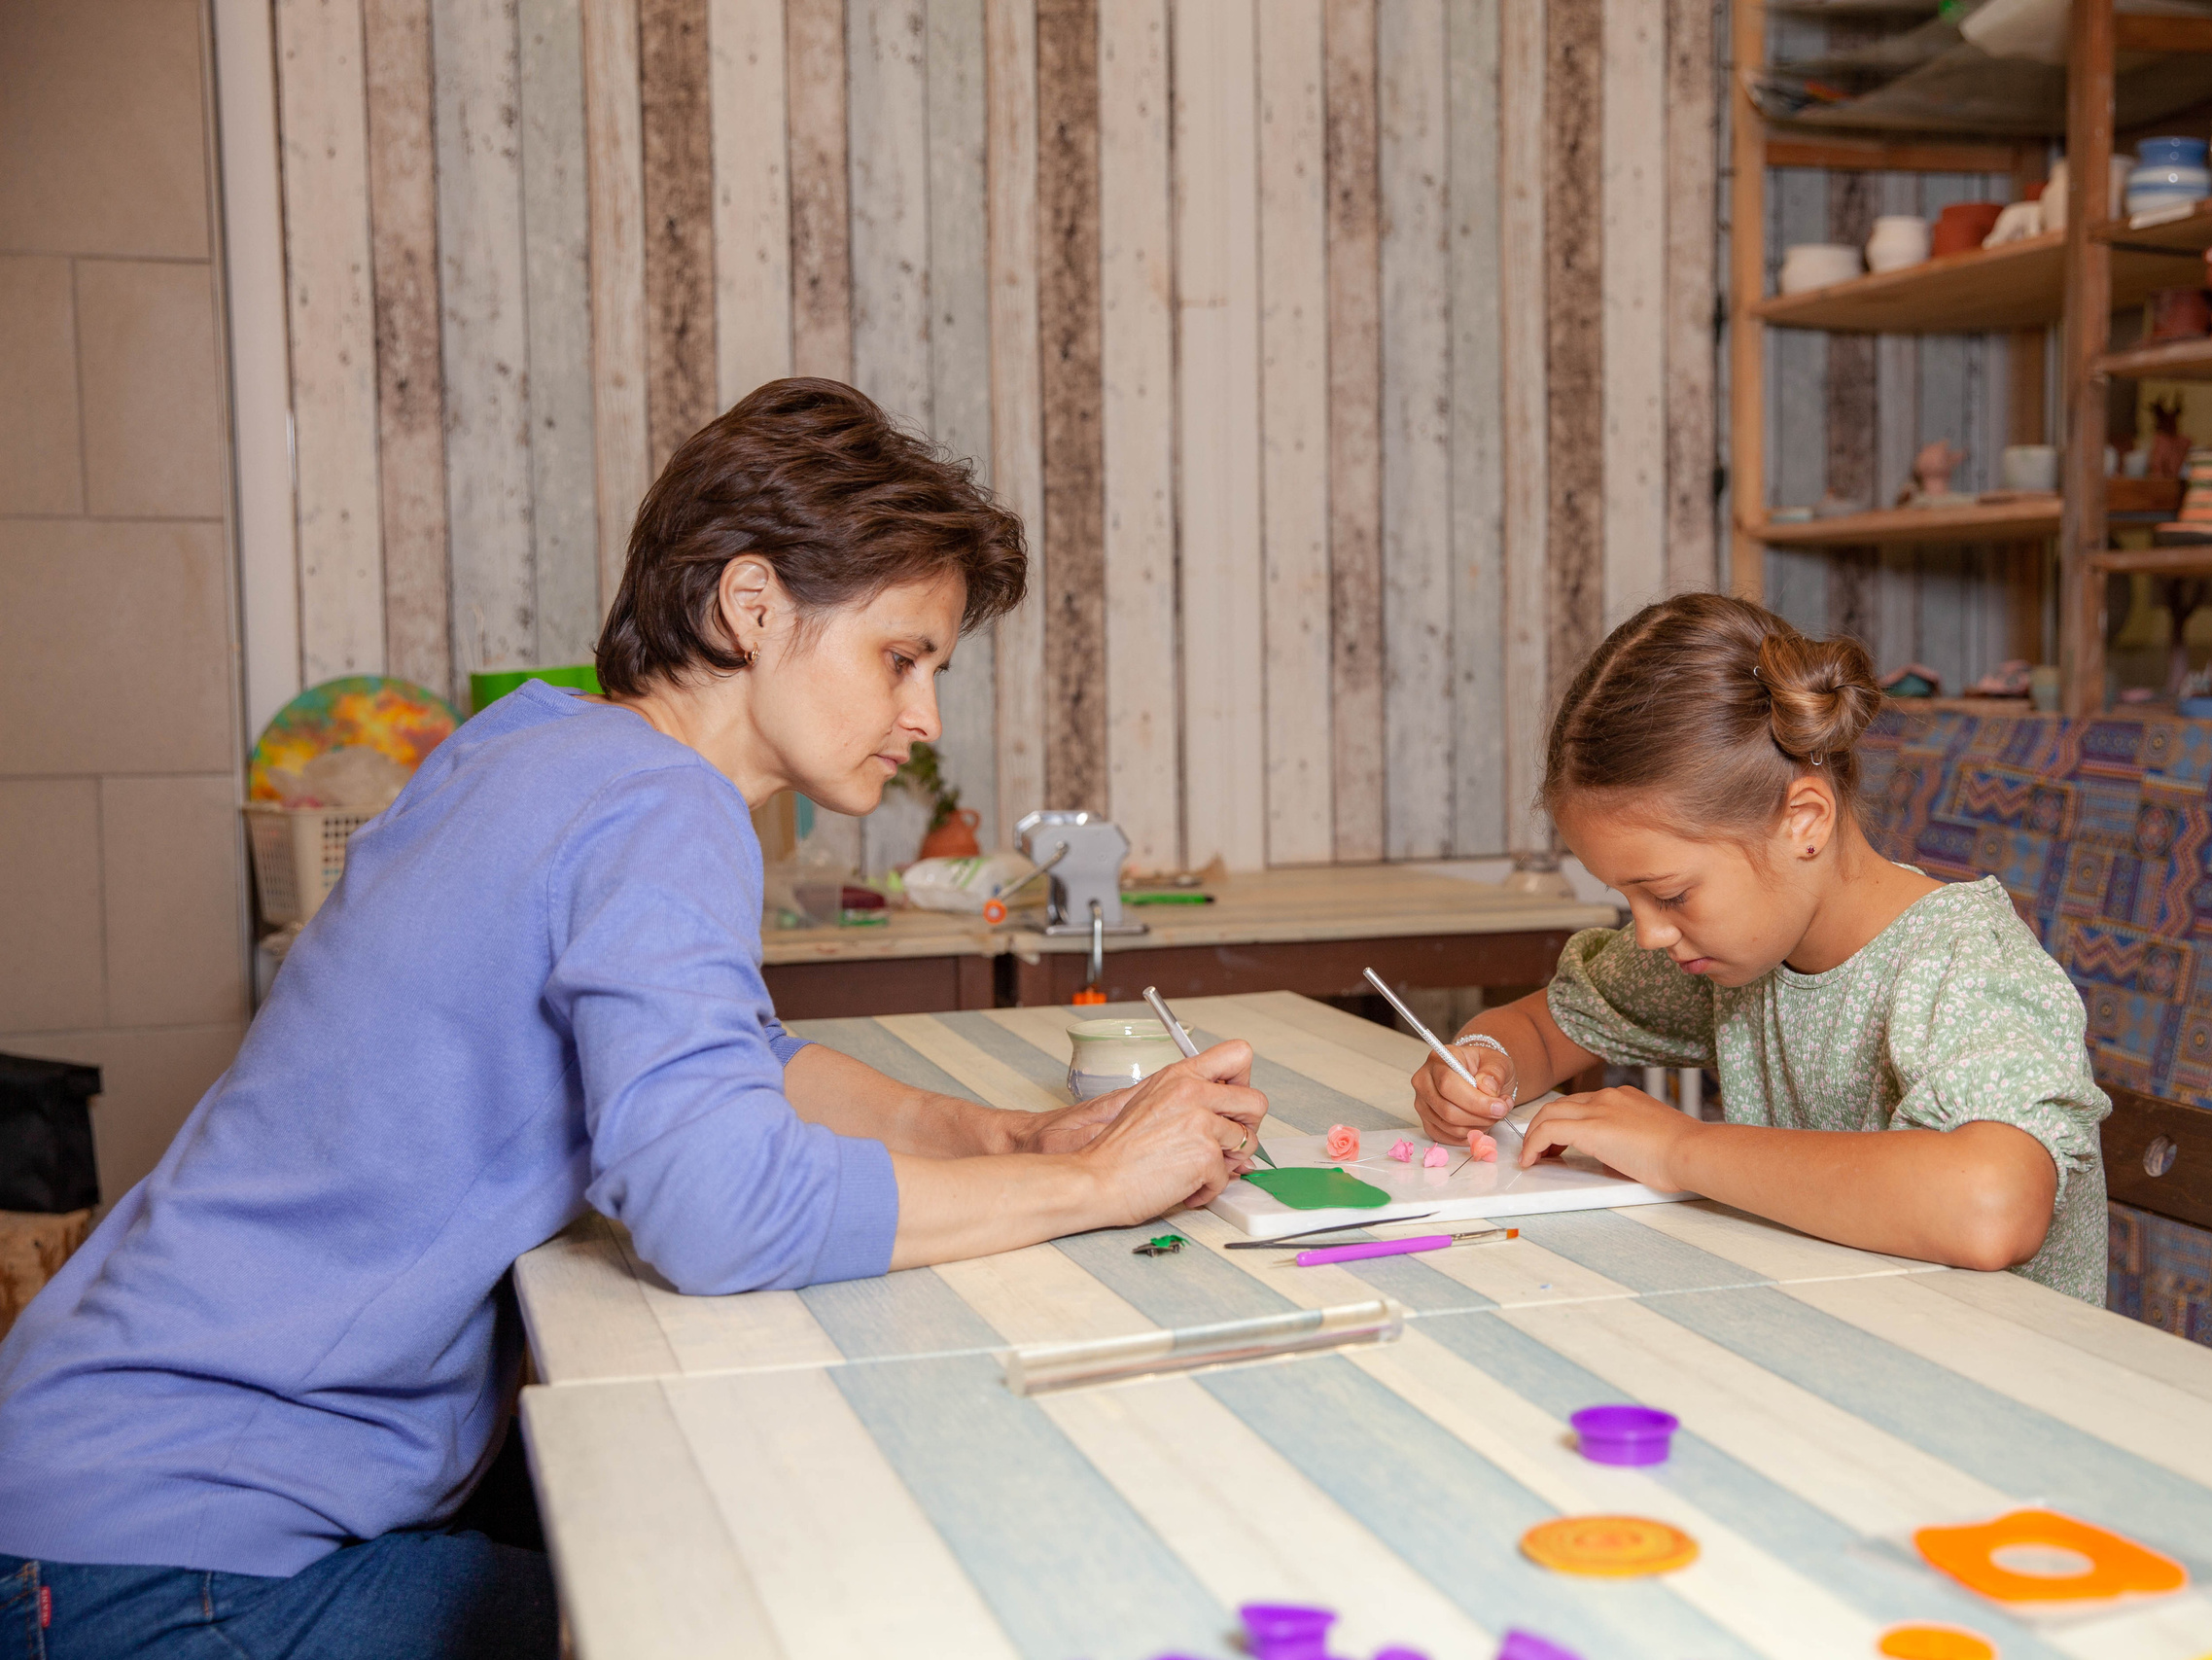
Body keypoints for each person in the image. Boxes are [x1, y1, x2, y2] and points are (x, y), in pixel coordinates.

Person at [0, 379, 1268, 1659]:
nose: (926, 714)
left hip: (79, 1492)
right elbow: (712, 1202)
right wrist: (1100, 1182)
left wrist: (1003, 1141)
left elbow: (737, 1057)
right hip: (171, 1565)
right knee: (752, 1607)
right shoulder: (665, 805)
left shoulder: (531, 743)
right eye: (902, 656)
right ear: (755, 604)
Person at [1409, 593, 2107, 1301]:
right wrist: (1482, 1066)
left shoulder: (1963, 960)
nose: (1648, 931)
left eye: (1671, 894)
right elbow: (1539, 1025)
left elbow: (1991, 1208)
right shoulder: (1738, 951)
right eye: (1629, 900)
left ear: (1803, 819)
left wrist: (1681, 1148)